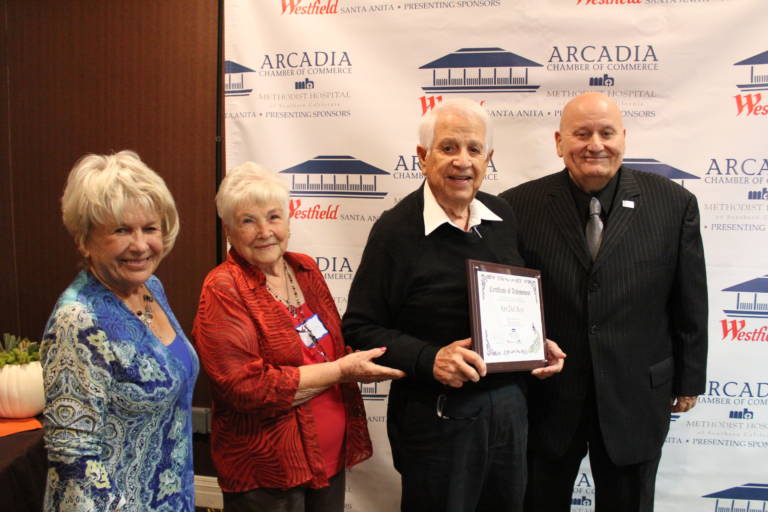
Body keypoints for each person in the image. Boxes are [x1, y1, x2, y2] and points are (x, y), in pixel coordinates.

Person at [341, 98, 565, 512]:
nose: (462, 161)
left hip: (509, 413)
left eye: (474, 149)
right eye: (448, 148)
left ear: (488, 159)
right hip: (437, 418)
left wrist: (536, 341)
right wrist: (430, 358)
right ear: (423, 158)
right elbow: (359, 327)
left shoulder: (501, 215)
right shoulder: (396, 230)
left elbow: (507, 304)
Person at [499, 92, 708, 512]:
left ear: (624, 138)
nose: (595, 144)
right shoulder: (516, 207)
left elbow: (689, 298)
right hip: (548, 400)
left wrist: (689, 378)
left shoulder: (674, 204)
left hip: (636, 397)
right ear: (559, 143)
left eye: (606, 132)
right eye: (581, 133)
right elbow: (505, 299)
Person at [192, 163, 404, 512]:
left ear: (289, 220)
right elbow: (249, 389)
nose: (265, 231)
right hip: (268, 472)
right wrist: (341, 372)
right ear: (228, 229)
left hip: (328, 459)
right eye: (248, 221)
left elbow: (330, 349)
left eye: (274, 217)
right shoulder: (223, 288)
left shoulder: (305, 269)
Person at [41, 151, 199, 511]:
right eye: (121, 230)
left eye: (150, 228)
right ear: (84, 240)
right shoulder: (78, 320)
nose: (140, 245)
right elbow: (73, 464)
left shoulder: (151, 288)